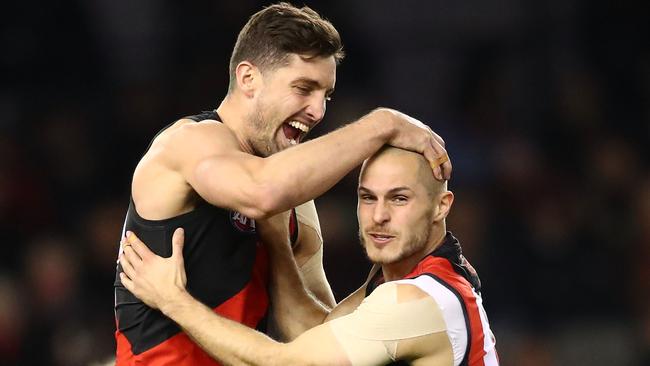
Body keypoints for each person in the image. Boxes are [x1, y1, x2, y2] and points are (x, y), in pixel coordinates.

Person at [113, 2, 452, 365]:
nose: (318, 111)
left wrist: (280, 244)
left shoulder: (293, 198)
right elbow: (261, 192)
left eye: (326, 95)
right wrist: (382, 124)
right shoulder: (189, 143)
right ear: (248, 79)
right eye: (304, 88)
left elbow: (312, 339)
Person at [119, 146, 498, 365]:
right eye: (368, 197)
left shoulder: (416, 300)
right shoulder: (413, 278)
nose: (379, 215)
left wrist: (174, 301)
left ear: (441, 206)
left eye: (399, 198)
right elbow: (314, 333)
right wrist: (277, 239)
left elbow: (285, 364)